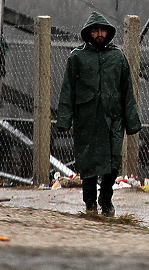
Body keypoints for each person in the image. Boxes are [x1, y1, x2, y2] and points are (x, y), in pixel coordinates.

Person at [57, 11, 142, 217]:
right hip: (87, 118)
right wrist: (64, 119)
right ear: (88, 33)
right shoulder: (77, 57)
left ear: (108, 33)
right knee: (89, 163)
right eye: (95, 30)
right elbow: (68, 89)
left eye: (102, 30)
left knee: (113, 162)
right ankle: (90, 203)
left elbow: (127, 91)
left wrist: (132, 122)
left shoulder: (118, 57)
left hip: (113, 118)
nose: (99, 34)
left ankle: (106, 198)